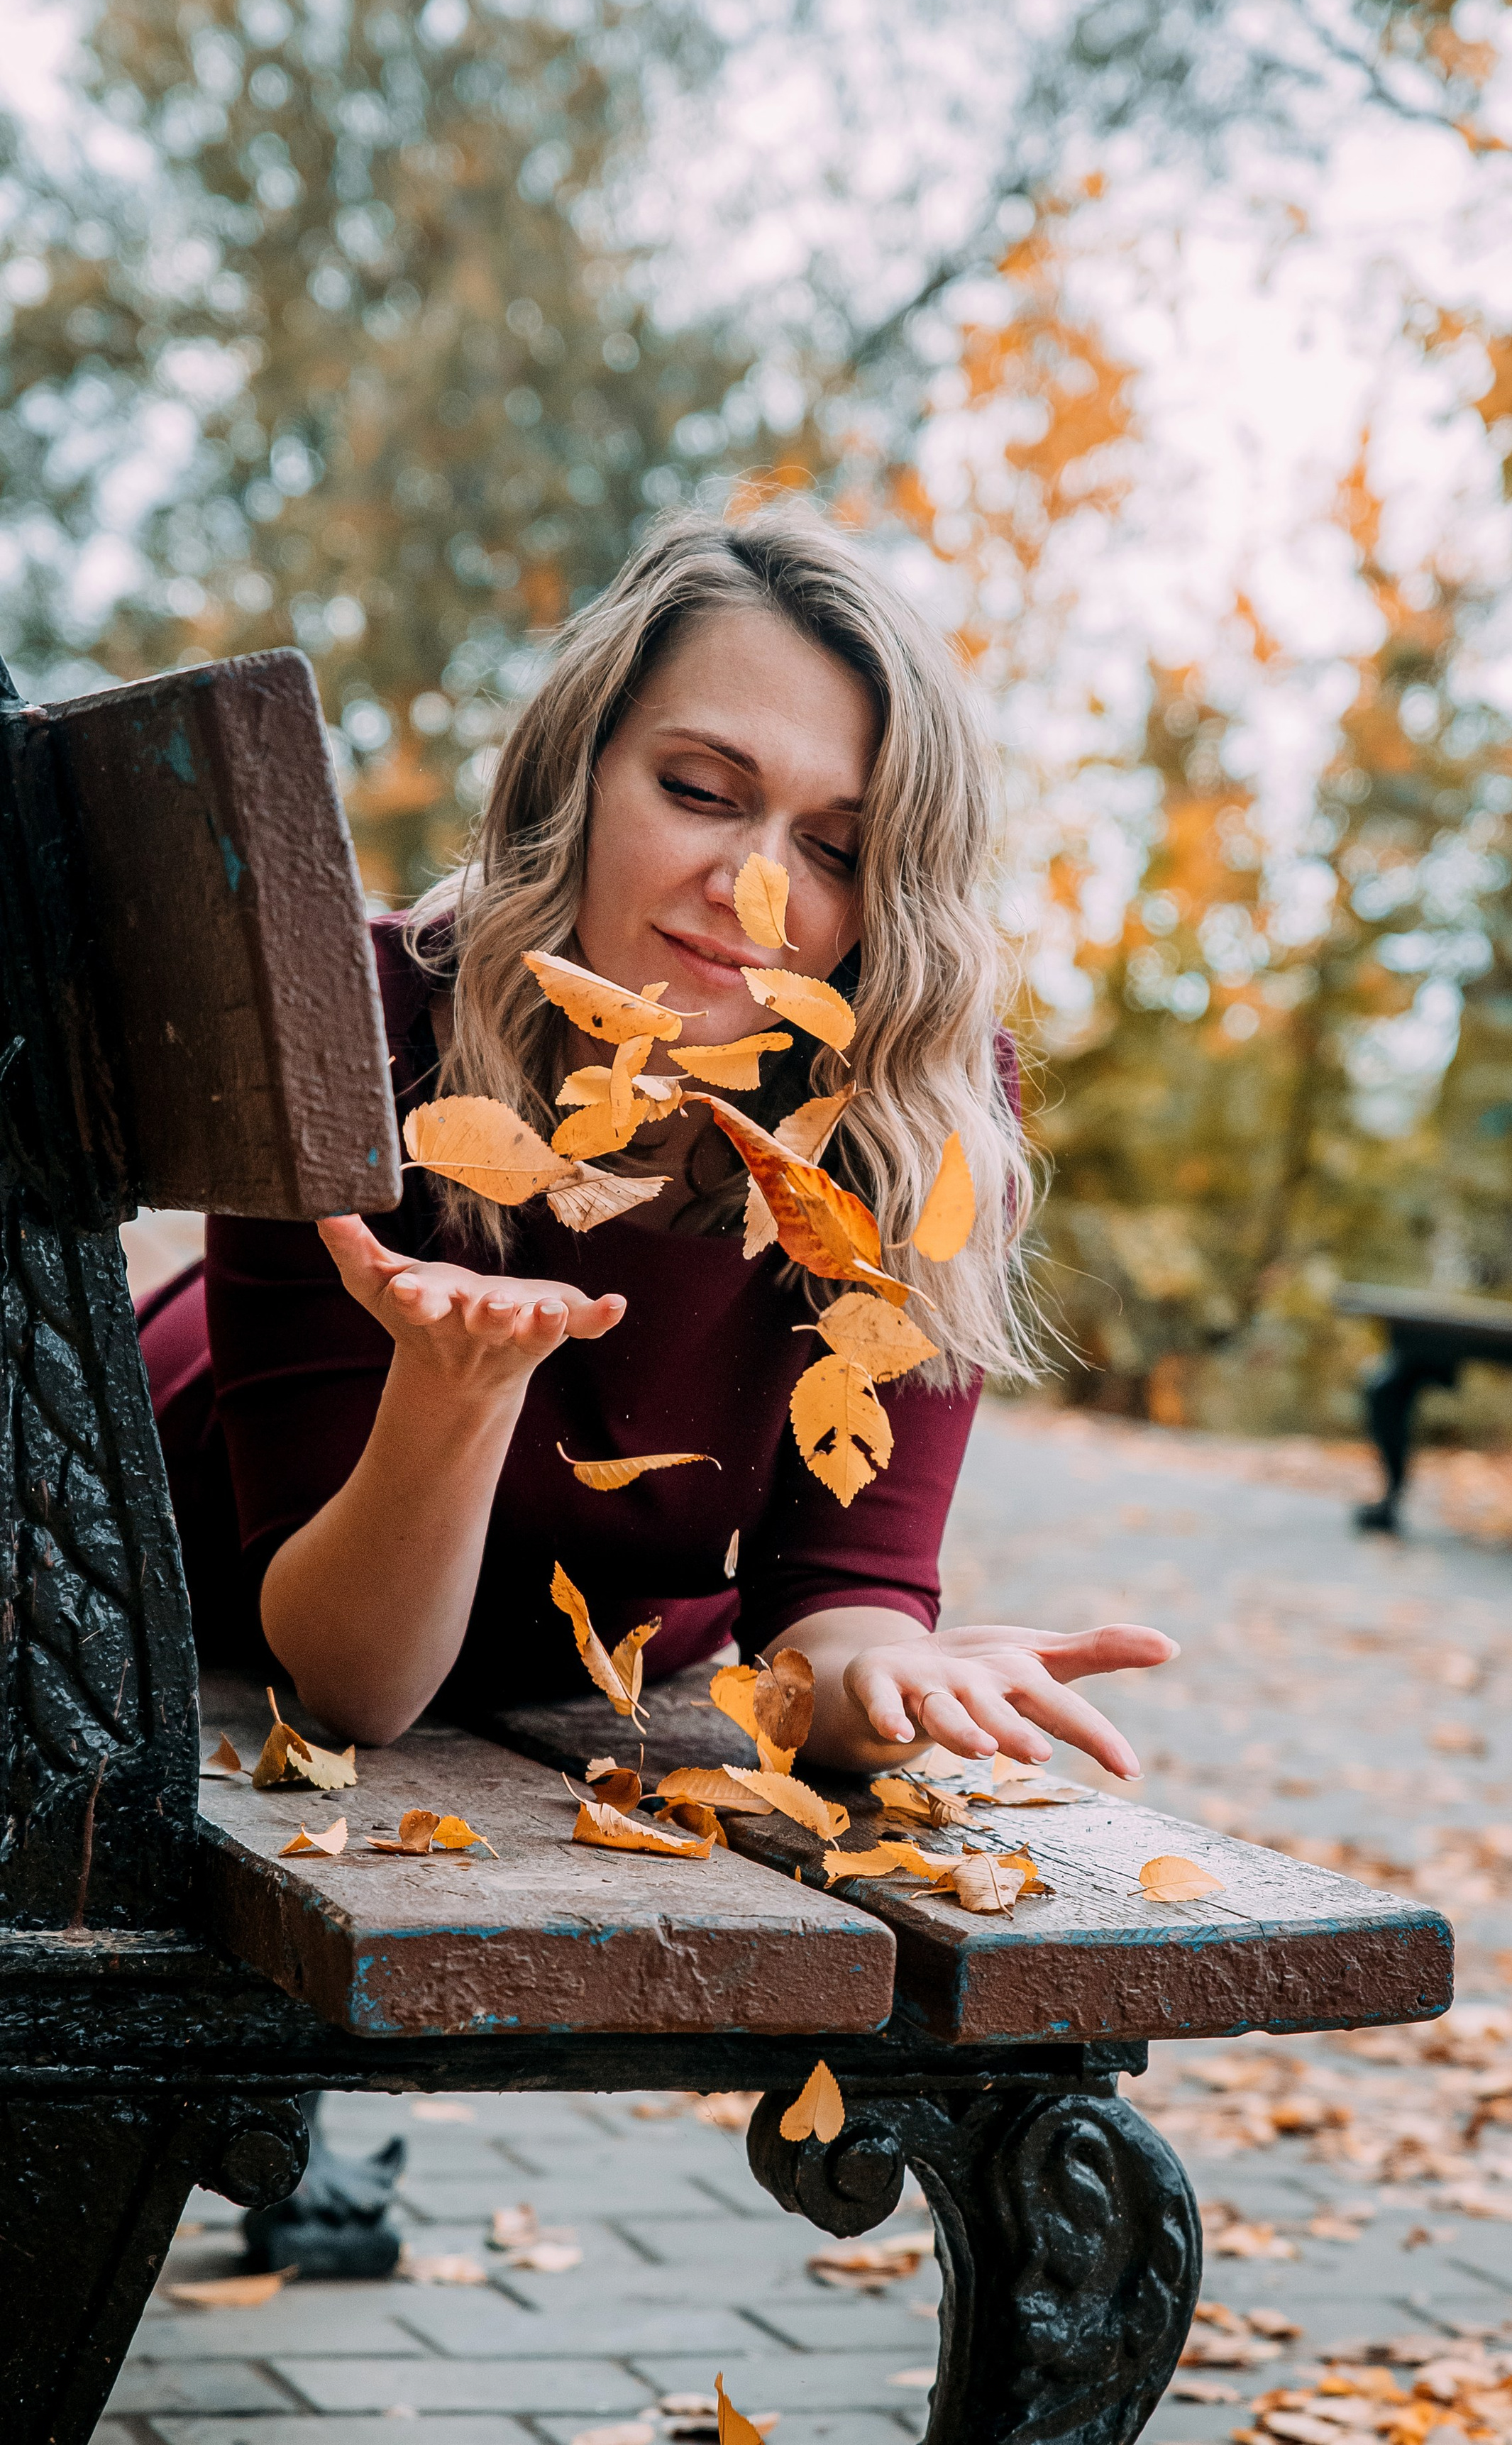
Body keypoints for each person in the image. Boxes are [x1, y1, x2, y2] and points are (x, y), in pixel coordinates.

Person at [140, 506, 1175, 1774]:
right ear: (575, 772)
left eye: (837, 850)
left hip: (601, 1685)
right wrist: (455, 1392)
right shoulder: (353, 1022)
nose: (756, 889)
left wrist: (896, 1681)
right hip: (181, 1586)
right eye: (699, 792)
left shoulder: (923, 1115)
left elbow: (836, 1606)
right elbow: (354, 1690)